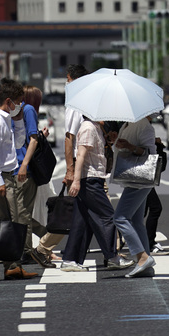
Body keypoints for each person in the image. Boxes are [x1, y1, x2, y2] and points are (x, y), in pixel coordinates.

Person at [0, 77, 38, 280]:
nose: (20, 105)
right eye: (18, 102)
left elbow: (19, 142)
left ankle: (12, 265)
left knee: (12, 222)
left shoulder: (5, 119)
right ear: (8, 101)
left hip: (6, 175)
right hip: (1, 176)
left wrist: (19, 120)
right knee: (12, 222)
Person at [62, 116, 133, 272]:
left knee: (83, 221)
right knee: (108, 216)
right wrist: (76, 180)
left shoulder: (95, 128)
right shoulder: (88, 127)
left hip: (92, 179)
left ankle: (70, 260)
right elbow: (80, 155)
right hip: (90, 180)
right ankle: (112, 257)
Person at [34, 64, 89, 262]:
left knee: (85, 210)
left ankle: (43, 248)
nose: (66, 84)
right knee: (97, 210)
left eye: (67, 81)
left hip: (88, 163)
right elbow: (69, 137)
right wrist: (70, 170)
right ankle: (113, 252)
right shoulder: (76, 104)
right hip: (81, 162)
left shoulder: (83, 101)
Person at [113, 117, 158, 278]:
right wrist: (117, 141)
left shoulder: (143, 125)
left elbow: (150, 153)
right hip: (134, 178)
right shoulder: (127, 124)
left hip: (140, 180)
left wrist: (129, 146)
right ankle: (146, 265)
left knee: (120, 218)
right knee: (137, 221)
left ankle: (142, 257)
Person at [14, 85, 51, 268]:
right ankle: (45, 234)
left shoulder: (26, 111)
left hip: (24, 169)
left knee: (22, 212)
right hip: (20, 168)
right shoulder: (24, 110)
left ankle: (28, 250)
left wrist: (24, 164)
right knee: (20, 212)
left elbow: (32, 139)